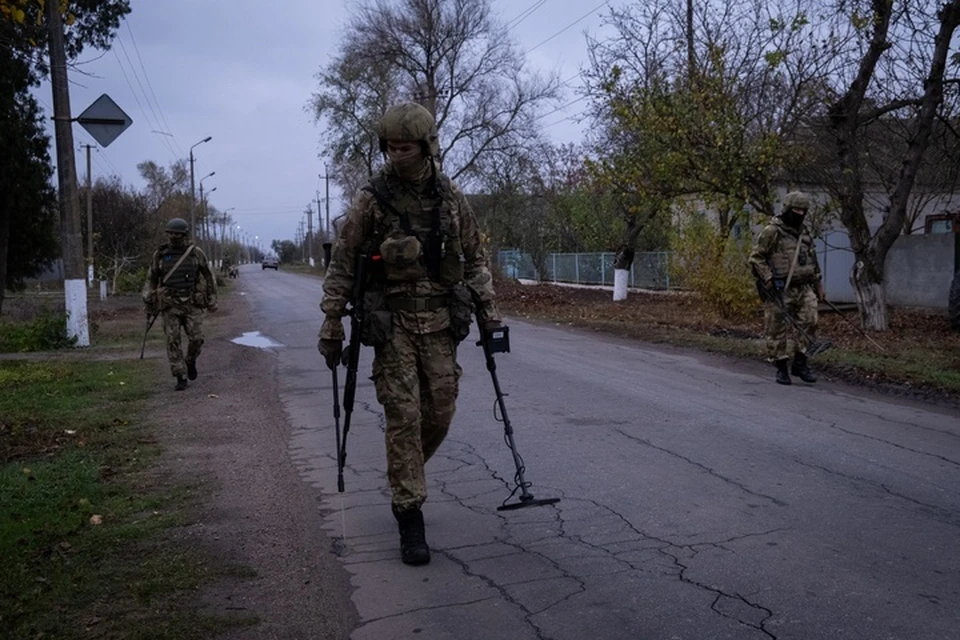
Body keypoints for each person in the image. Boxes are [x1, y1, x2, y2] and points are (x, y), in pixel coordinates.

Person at [318, 102, 502, 566]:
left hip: (441, 324)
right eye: (392, 148)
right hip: (393, 325)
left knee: (439, 411)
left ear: (426, 146)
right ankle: (409, 513)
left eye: (406, 147)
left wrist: (489, 314)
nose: (398, 155)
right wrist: (331, 320)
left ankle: (408, 473)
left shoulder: (449, 196)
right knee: (403, 416)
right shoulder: (372, 199)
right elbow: (343, 263)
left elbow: (475, 258)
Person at [748, 191, 825, 385]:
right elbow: (756, 257)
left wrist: (819, 284)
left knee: (811, 320)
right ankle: (781, 367)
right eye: (796, 209)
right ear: (787, 209)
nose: (800, 213)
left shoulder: (804, 233)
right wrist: (768, 278)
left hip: (804, 286)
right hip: (780, 288)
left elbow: (812, 261)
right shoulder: (772, 231)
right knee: (776, 328)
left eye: (803, 210)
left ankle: (800, 363)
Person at [143, 217, 218, 391]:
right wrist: (148, 298)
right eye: (171, 234)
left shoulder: (195, 253)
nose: (174, 237)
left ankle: (190, 360)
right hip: (170, 305)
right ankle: (180, 375)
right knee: (172, 341)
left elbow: (208, 275)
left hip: (192, 304)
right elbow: (151, 278)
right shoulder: (160, 254)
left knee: (196, 339)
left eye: (178, 234)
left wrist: (212, 298)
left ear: (185, 234)